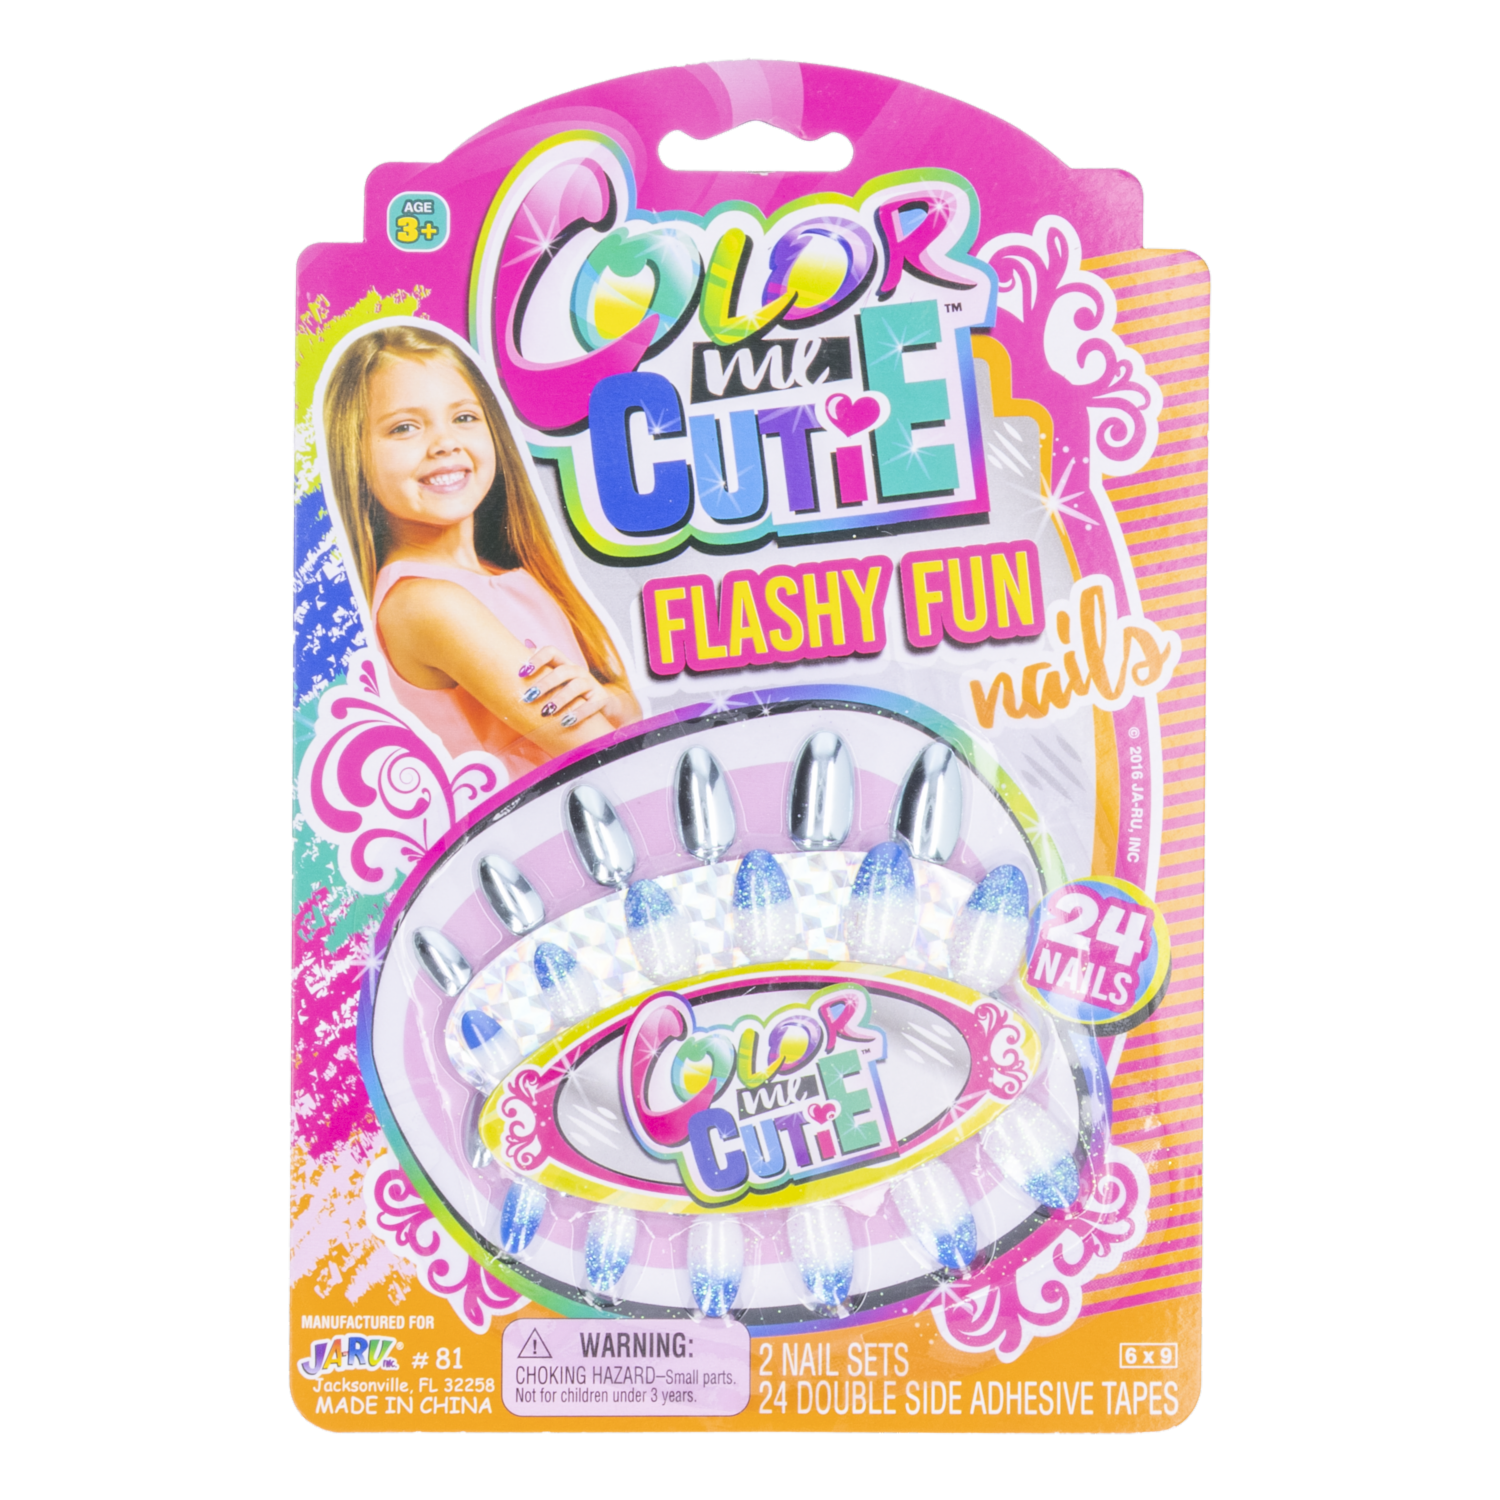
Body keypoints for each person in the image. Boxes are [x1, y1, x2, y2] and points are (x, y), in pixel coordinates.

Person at [323, 325, 641, 774]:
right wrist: (610, 713)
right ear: (354, 454)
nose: (445, 443)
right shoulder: (428, 603)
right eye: (405, 427)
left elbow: (624, 716)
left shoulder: (507, 576)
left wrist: (608, 700)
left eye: (464, 417)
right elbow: (606, 753)